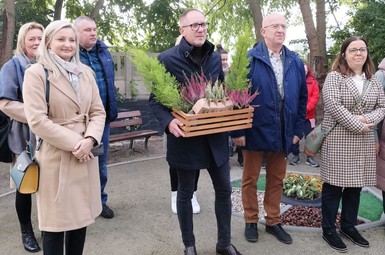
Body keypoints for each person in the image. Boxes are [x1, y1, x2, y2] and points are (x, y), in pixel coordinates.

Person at [150, 8, 242, 255]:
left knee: (224, 190)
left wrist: (237, 101)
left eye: (203, 24)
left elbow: (220, 90)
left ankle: (224, 243)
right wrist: (169, 122)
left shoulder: (214, 57)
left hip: (215, 138)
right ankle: (189, 246)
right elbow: (155, 101)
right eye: (194, 25)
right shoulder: (167, 59)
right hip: (186, 138)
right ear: (182, 30)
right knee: (186, 193)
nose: (201, 29)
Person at [22, 20, 106, 255]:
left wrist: (89, 140)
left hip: (85, 155)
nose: (67, 44)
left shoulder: (86, 72)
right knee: (55, 227)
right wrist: (76, 143)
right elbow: (37, 120)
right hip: (56, 156)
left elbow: (98, 111)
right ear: (48, 42)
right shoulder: (36, 73)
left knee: (81, 222)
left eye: (71, 40)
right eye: (61, 39)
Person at [231, 13, 307, 245]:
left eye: (284, 26)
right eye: (275, 26)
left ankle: (273, 221)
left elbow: (302, 98)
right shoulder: (248, 60)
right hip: (255, 128)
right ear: (263, 31)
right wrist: (237, 132)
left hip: (284, 128)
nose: (280, 30)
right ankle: (251, 220)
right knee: (250, 178)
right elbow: (234, 97)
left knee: (276, 179)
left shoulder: (294, 60)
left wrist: (297, 130)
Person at [320, 36, 385, 253]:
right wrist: (359, 125)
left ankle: (348, 226)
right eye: (353, 50)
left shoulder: (373, 79)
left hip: (363, 142)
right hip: (338, 140)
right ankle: (328, 229)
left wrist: (365, 120)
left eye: (362, 49)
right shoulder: (334, 78)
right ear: (344, 54)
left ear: (367, 54)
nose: (358, 53)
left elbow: (382, 107)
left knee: (355, 187)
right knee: (333, 187)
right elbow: (333, 106)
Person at [0, 22, 44, 253]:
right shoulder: (12, 66)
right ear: (22, 42)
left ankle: (49, 227)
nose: (36, 42)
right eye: (31, 39)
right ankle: (26, 231)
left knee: (47, 183)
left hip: (49, 136)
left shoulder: (51, 65)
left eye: (40, 38)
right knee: (24, 185)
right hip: (23, 137)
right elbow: (5, 104)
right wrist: (39, 117)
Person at [74, 16, 118, 219]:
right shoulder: (70, 54)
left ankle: (100, 202)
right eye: (87, 30)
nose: (93, 33)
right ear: (76, 33)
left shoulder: (104, 51)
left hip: (102, 119)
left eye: (94, 29)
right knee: (77, 163)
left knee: (100, 162)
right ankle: (78, 206)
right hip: (77, 120)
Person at [170, 34, 201, 215]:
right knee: (176, 162)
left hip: (194, 120)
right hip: (175, 121)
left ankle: (193, 193)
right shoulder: (169, 63)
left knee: (196, 160)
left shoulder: (198, 65)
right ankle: (175, 193)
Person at [289, 63, 320, 167]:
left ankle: (310, 157)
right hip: (295, 116)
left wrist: (305, 108)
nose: (304, 71)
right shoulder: (292, 81)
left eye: (305, 69)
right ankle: (295, 155)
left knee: (310, 137)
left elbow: (315, 97)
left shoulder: (313, 81)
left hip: (309, 116)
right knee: (294, 136)